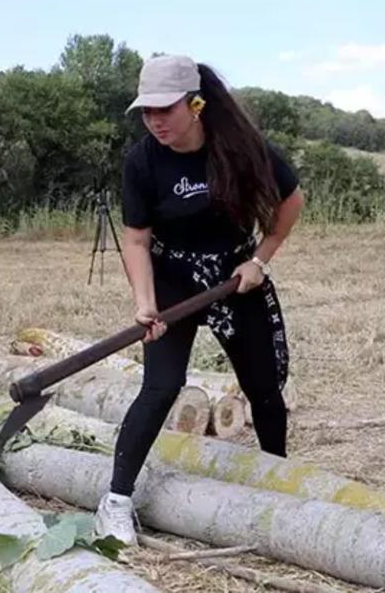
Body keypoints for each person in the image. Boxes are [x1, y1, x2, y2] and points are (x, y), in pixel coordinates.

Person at [94, 54, 305, 545]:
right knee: (161, 386)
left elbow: (291, 203)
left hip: (234, 276)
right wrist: (145, 303)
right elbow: (137, 240)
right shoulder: (143, 160)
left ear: (195, 103)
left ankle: (275, 481)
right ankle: (117, 502)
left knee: (265, 388)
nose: (154, 121)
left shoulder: (241, 148)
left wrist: (260, 260)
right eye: (146, 111)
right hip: (172, 276)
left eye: (164, 110)